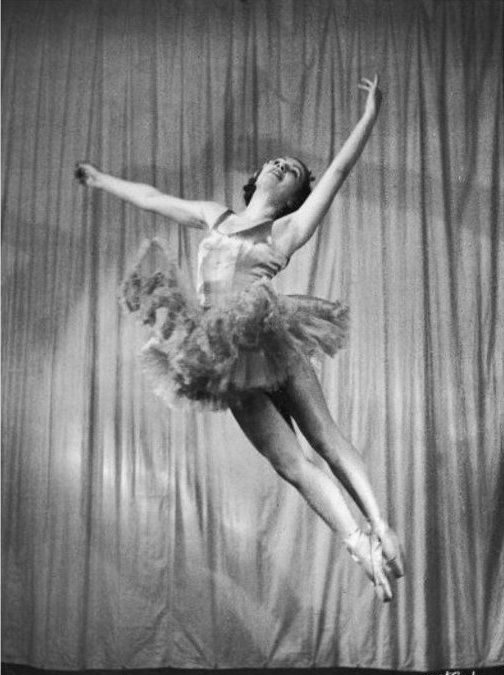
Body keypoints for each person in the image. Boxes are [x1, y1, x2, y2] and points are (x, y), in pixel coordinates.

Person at [75, 75, 404, 601]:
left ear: (295, 196)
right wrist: (101, 180)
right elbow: (154, 198)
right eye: (276, 162)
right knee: (289, 462)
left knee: (324, 436)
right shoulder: (216, 216)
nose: (280, 166)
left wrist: (368, 117)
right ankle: (358, 542)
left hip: (268, 334)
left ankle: (380, 522)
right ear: (256, 178)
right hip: (220, 351)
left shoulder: (289, 230)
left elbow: (339, 171)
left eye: (292, 170)